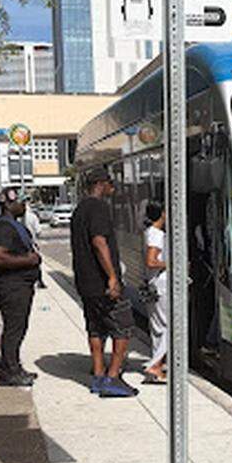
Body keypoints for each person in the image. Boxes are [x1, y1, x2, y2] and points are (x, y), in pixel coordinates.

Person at [70, 169, 137, 398]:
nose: (113, 188)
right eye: (110, 183)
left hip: (85, 283)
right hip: (101, 283)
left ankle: (98, 375)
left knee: (95, 328)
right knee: (123, 328)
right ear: (100, 184)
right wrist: (112, 276)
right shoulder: (98, 208)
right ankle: (113, 376)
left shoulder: (79, 210)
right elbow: (99, 242)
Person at [0, 188, 41, 387]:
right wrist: (28, 259)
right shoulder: (3, 227)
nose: (24, 205)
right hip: (12, 286)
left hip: (21, 285)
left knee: (19, 327)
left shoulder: (13, 225)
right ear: (9, 203)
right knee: (13, 328)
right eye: (21, 202)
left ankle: (15, 366)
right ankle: (10, 371)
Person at [142, 202, 167, 384]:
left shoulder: (149, 232)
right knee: (168, 327)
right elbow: (151, 261)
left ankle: (157, 366)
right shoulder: (157, 234)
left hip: (153, 285)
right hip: (161, 285)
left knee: (158, 328)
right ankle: (155, 365)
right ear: (163, 214)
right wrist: (172, 263)